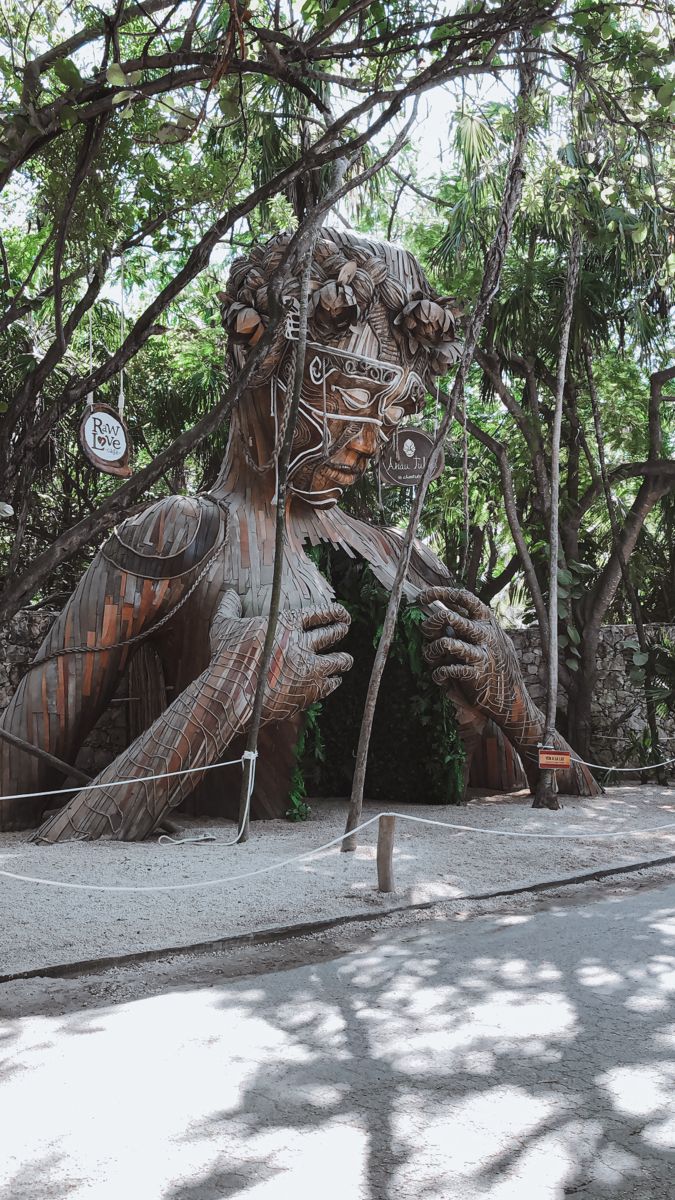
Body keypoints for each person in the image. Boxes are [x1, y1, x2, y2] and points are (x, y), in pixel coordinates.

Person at [0, 228, 597, 840]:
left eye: (390, 411)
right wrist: (225, 696)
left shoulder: (403, 557)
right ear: (258, 360)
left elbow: (568, 783)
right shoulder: (177, 535)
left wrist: (518, 711)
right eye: (351, 393)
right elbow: (20, 805)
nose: (369, 438)